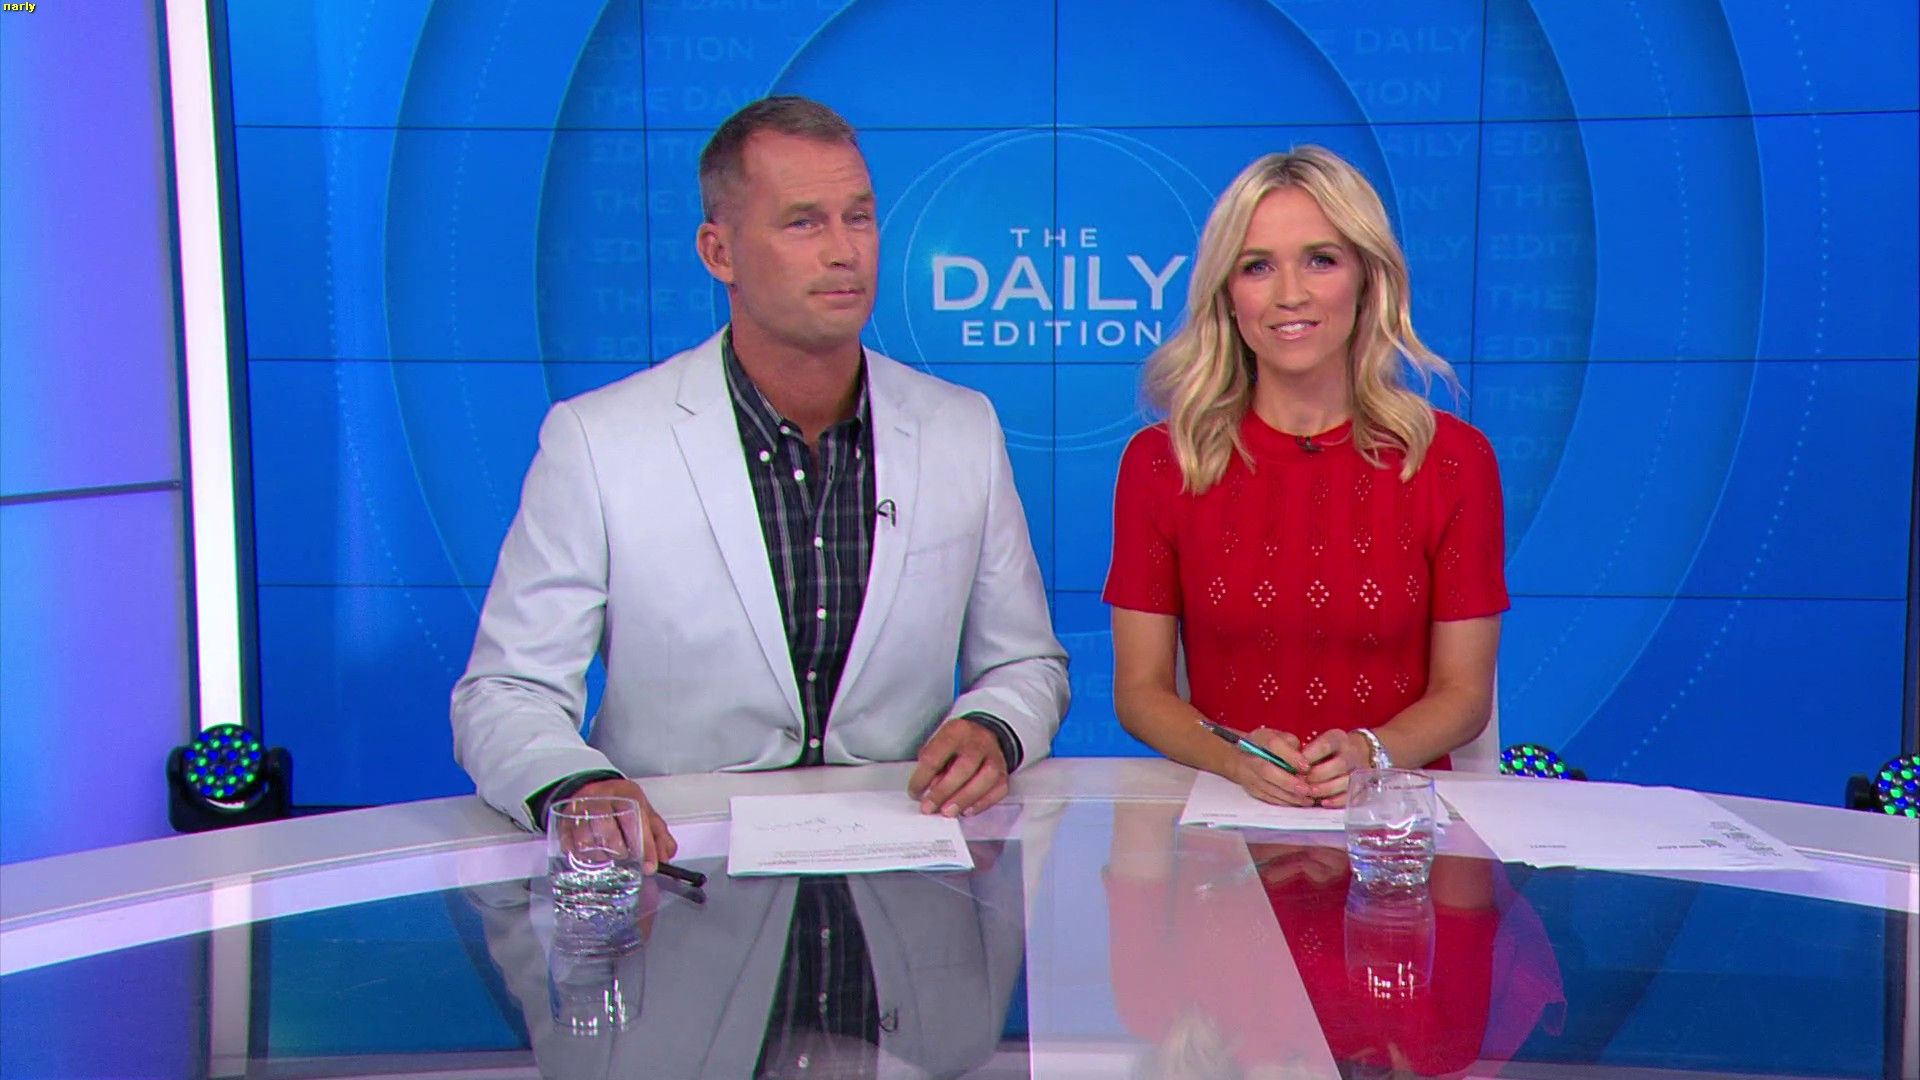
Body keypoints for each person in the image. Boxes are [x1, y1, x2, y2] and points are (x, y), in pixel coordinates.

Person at [452, 96, 1068, 865]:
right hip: (682, 872)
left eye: (859, 217)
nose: (844, 251)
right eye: (804, 223)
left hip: (908, 866)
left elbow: (1024, 663)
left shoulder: (960, 428)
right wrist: (579, 787)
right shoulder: (599, 441)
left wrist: (993, 728)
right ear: (719, 253)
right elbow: (506, 693)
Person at [1104, 146, 1506, 807]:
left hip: (1395, 827)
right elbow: (1140, 692)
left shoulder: (1451, 460)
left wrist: (1370, 753)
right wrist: (1235, 759)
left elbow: (1464, 695)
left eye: (1321, 260)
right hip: (1229, 822)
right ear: (1227, 295)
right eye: (1257, 267)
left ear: (1367, 278)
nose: (1290, 294)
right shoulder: (1163, 462)